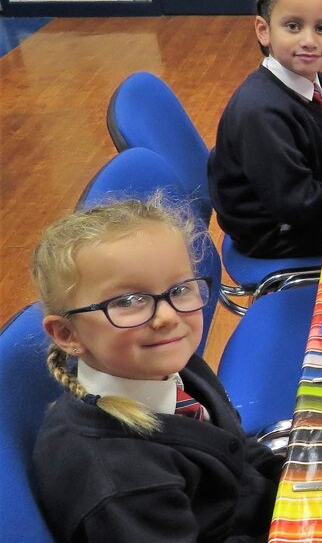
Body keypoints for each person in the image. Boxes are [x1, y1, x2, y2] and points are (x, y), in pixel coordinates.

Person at [32, 197, 283, 541]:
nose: (167, 317)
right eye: (127, 302)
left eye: (179, 290)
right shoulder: (121, 480)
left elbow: (239, 449)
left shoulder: (175, 367)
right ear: (67, 334)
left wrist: (298, 479)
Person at [209, 0, 322, 259]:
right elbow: (298, 204)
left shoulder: (318, 84)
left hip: (299, 206)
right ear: (264, 30)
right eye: (293, 26)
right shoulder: (262, 112)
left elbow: (315, 155)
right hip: (274, 233)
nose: (309, 40)